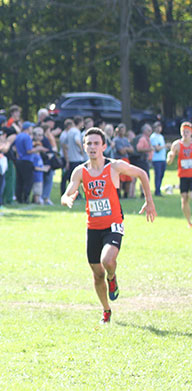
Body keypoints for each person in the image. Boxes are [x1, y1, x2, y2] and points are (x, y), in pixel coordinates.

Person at [60, 127, 156, 324]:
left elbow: (142, 174)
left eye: (96, 143)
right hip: (93, 227)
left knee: (108, 261)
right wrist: (66, 199)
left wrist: (149, 200)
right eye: (89, 143)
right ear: (84, 147)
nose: (93, 147)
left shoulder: (114, 167)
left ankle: (112, 279)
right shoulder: (80, 171)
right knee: (97, 275)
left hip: (113, 224)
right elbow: (68, 192)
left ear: (104, 146)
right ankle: (106, 310)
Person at [165, 122, 192, 227]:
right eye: (183, 131)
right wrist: (170, 156)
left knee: (191, 195)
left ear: (191, 133)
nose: (185, 133)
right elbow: (169, 162)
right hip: (183, 175)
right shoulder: (177, 145)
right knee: (184, 199)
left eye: (187, 132)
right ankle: (189, 222)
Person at [150, 121, 169, 196]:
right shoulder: (153, 137)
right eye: (157, 127)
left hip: (162, 158)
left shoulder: (161, 136)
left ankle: (159, 189)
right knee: (158, 175)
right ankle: (157, 191)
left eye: (160, 127)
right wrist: (165, 146)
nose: (158, 128)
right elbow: (157, 148)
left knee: (161, 175)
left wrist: (166, 147)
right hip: (156, 159)